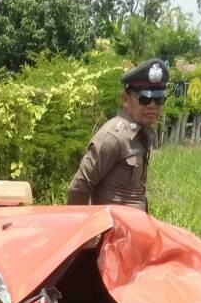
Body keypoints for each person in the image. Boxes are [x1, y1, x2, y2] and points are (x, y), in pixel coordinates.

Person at [67, 59, 168, 209]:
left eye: (158, 99)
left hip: (133, 228)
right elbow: (79, 188)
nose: (152, 105)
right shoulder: (114, 137)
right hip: (113, 229)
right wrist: (84, 230)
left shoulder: (139, 134)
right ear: (125, 99)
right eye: (145, 98)